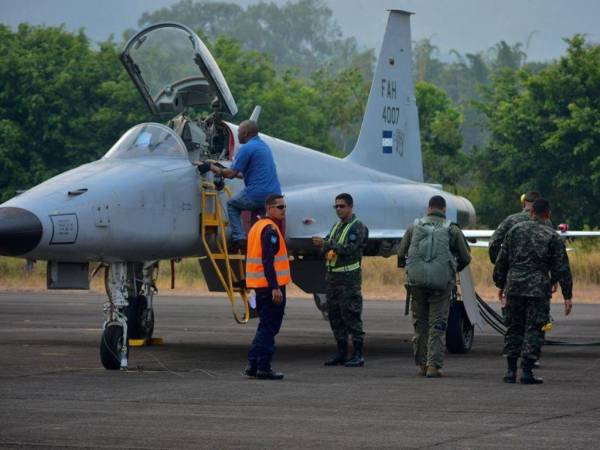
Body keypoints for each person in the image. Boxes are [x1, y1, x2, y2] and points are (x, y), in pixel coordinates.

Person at [493, 198, 573, 384]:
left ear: (531, 212)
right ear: (548, 214)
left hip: (514, 286)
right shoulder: (551, 235)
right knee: (535, 328)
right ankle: (527, 371)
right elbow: (562, 267)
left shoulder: (514, 231)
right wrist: (567, 295)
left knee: (514, 327)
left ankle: (510, 370)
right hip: (538, 288)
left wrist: (501, 284)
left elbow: (502, 261)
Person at [398, 195, 471, 378]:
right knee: (437, 325)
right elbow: (465, 257)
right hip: (441, 285)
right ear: (444, 209)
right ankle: (433, 367)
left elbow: (401, 254)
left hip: (416, 284)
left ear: (428, 207)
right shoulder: (452, 230)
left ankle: (421, 365)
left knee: (420, 324)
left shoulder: (414, 227)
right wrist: (453, 269)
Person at [206, 120, 281, 251]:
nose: (238, 134)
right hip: (272, 197)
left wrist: (210, 167)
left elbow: (230, 174)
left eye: (239, 132)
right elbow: (243, 175)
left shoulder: (246, 148)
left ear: (245, 133)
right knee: (256, 226)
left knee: (232, 205)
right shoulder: (263, 146)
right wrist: (221, 167)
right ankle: (255, 245)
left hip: (257, 193)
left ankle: (239, 238)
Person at [312, 193, 368, 367]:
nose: (338, 209)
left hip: (348, 281)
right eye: (336, 206)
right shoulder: (336, 226)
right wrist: (323, 247)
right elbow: (330, 245)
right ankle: (342, 352)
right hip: (333, 280)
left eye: (341, 206)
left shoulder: (358, 227)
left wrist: (326, 244)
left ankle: (358, 354)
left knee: (352, 317)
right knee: (335, 317)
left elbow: (349, 249)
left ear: (350, 207)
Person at [244, 194, 290, 380]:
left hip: (260, 286)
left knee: (265, 326)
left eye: (284, 206)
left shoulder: (256, 227)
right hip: (270, 287)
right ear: (269, 208)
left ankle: (253, 365)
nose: (283, 210)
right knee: (270, 328)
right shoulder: (270, 229)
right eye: (279, 207)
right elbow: (268, 260)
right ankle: (263, 367)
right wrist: (275, 287)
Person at [488, 191, 542, 264]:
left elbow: (494, 242)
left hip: (514, 271)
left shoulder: (511, 220)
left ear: (524, 203)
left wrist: (501, 263)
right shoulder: (546, 222)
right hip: (539, 272)